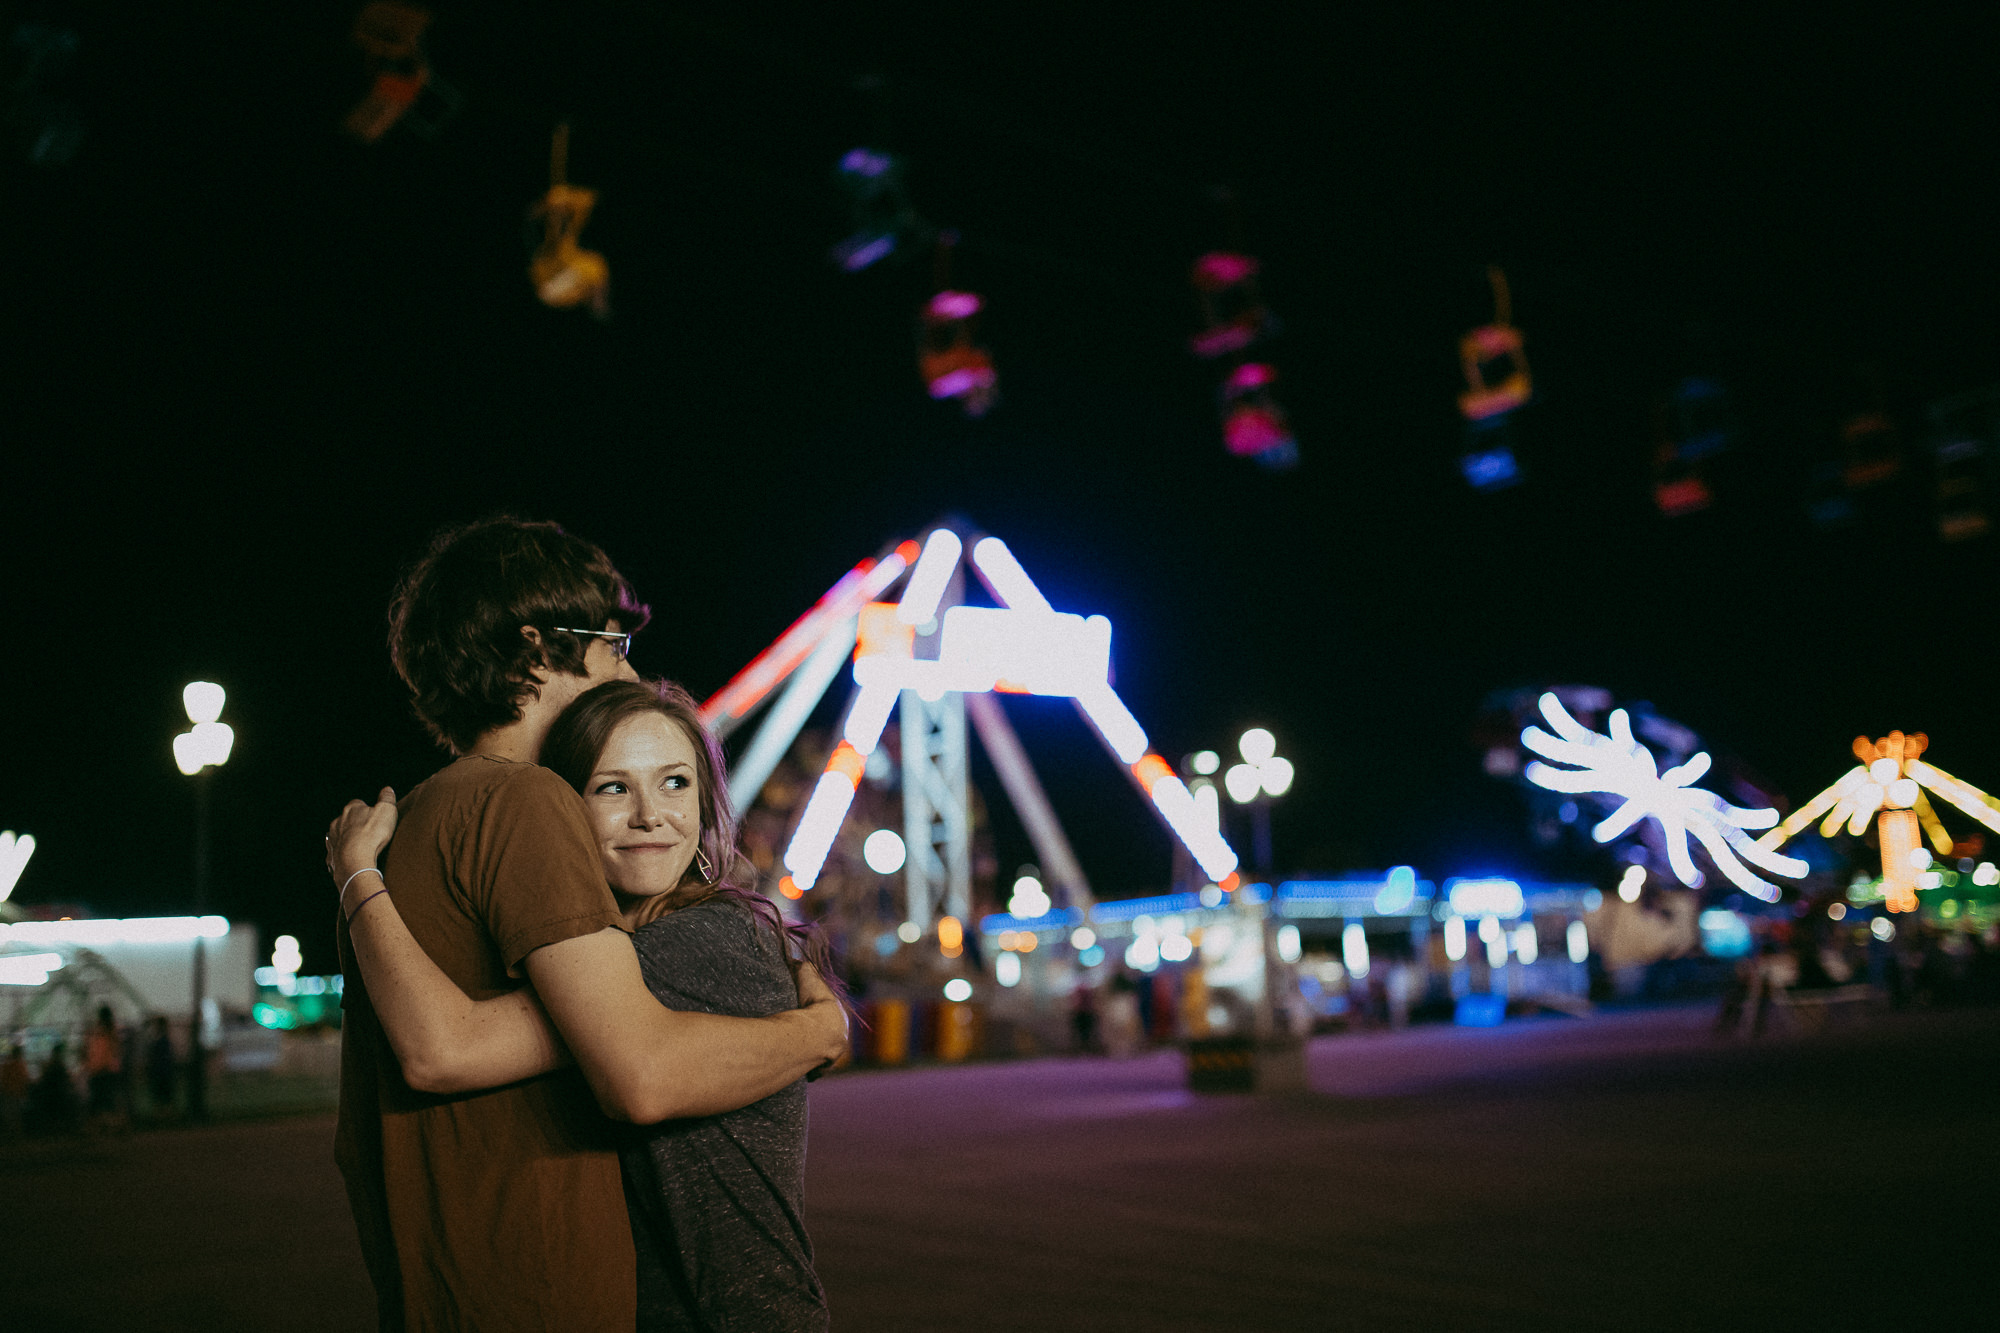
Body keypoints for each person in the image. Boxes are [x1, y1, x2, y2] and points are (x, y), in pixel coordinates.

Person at [326, 517, 848, 1333]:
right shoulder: (528, 801)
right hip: (541, 1287)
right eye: (611, 643)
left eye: (674, 783)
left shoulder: (414, 821)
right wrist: (818, 1032)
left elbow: (445, 1046)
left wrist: (355, 879)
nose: (626, 667)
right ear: (535, 648)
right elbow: (638, 1069)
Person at [83, 1004, 126, 1133]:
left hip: (98, 1070)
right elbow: (115, 1052)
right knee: (108, 1101)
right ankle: (115, 1125)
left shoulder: (97, 1032)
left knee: (97, 1102)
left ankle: (100, 1127)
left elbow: (92, 1052)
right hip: (107, 1070)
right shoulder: (111, 1032)